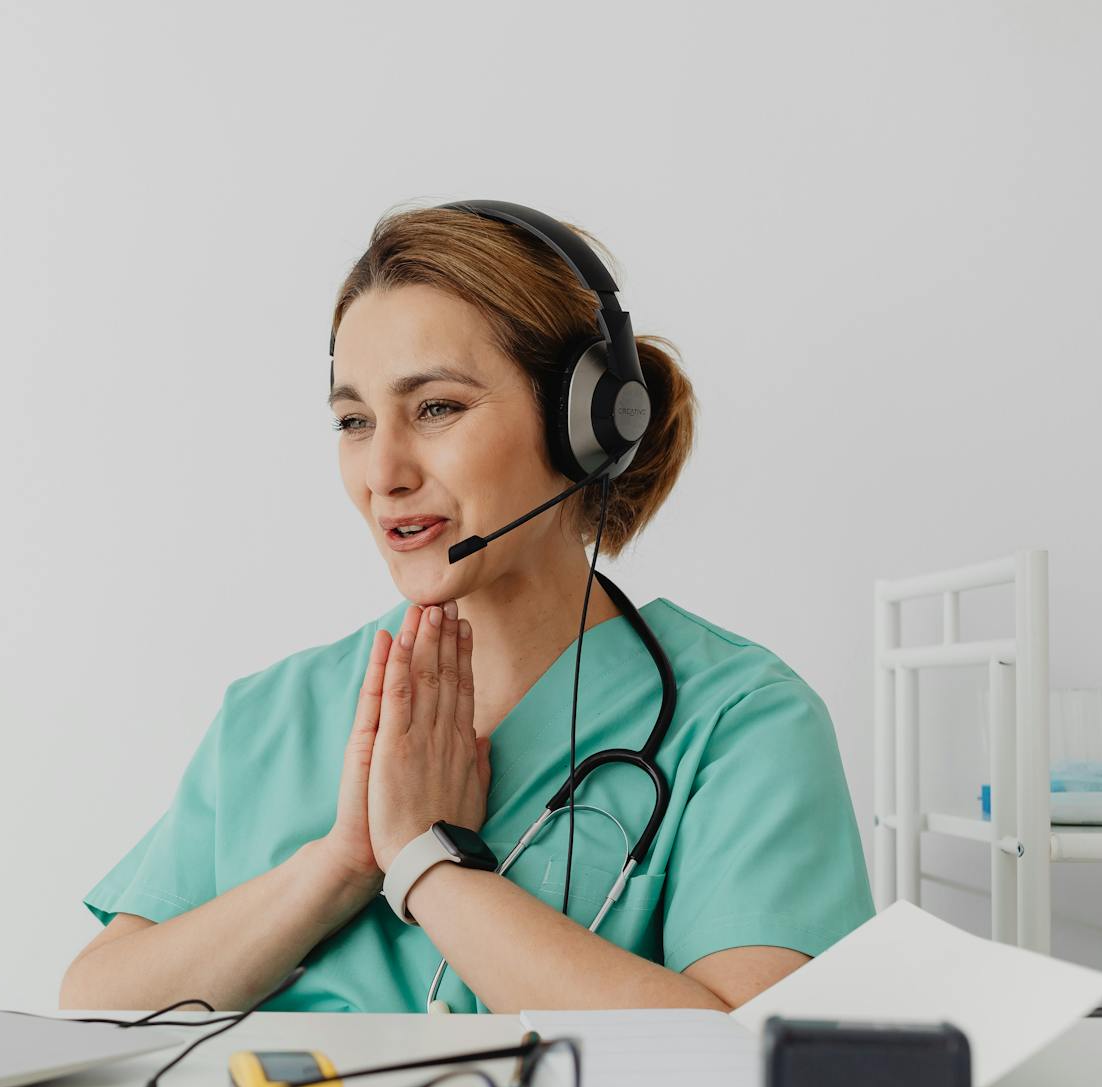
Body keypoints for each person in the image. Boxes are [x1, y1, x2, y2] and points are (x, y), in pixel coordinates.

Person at [59, 202, 874, 1015]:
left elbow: (752, 1070)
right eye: (353, 421)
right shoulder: (273, 716)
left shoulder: (740, 722)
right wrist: (342, 863)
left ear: (584, 426)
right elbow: (94, 1003)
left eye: (437, 408)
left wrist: (427, 864)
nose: (383, 471)